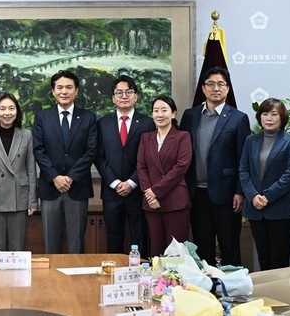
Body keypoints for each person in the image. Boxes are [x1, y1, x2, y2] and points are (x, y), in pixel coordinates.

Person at [180, 67, 249, 266]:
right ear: (203, 88)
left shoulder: (238, 118)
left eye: (220, 84)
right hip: (196, 193)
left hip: (227, 194)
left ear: (227, 88)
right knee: (203, 247)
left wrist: (240, 191)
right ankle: (206, 285)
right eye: (210, 84)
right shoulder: (190, 116)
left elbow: (243, 159)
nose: (215, 88)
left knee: (229, 246)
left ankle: (232, 284)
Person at [33, 70, 97, 254]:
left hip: (77, 187)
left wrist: (70, 177)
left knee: (76, 244)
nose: (64, 91)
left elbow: (91, 152)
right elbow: (38, 150)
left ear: (76, 91)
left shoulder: (88, 118)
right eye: (59, 87)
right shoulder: (42, 117)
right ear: (53, 91)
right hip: (50, 188)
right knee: (50, 244)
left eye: (69, 87)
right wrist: (55, 177)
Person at [95, 75, 155, 254]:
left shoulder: (148, 123)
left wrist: (131, 182)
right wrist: (114, 183)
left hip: (138, 191)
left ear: (136, 96)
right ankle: (115, 269)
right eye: (119, 93)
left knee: (140, 236)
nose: (124, 96)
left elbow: (150, 158)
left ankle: (140, 270)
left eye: (128, 92)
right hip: (111, 192)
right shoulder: (102, 123)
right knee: (113, 238)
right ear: (113, 98)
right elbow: (98, 157)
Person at [239, 98, 290, 270]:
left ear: (282, 117)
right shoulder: (251, 140)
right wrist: (253, 196)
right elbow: (243, 170)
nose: (269, 118)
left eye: (274, 114)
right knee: (263, 257)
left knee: (279, 260)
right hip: (256, 209)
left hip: (280, 209)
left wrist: (268, 196)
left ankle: (279, 289)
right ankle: (265, 289)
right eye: (265, 114)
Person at [0, 92, 38, 251]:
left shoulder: (26, 135)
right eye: (2, 109)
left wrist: (32, 201)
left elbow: (31, 171)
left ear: (17, 111)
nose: (7, 113)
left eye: (11, 108)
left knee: (17, 248)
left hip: (19, 196)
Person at [137, 95, 193, 256]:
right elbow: (141, 167)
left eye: (164, 110)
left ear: (173, 114)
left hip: (176, 201)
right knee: (155, 250)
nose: (160, 114)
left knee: (175, 252)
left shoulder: (183, 136)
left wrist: (156, 191)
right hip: (151, 203)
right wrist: (149, 194)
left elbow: (180, 168)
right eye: (156, 111)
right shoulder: (146, 138)